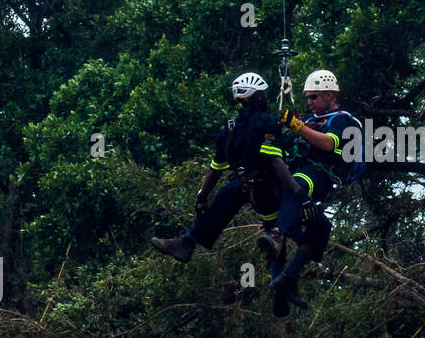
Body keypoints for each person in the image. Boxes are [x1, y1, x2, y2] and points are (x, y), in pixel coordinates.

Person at [151, 72, 307, 311]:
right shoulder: (267, 122)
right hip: (269, 189)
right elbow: (276, 161)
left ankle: (188, 242)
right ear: (258, 97)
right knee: (276, 235)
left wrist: (202, 197)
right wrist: (297, 193)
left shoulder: (230, 129)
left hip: (242, 186)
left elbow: (215, 170)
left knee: (226, 201)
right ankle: (280, 286)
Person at [258, 70, 362, 313]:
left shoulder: (341, 119)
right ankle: (284, 281)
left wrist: (297, 125)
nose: (310, 102)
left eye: (314, 97)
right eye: (307, 98)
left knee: (297, 188)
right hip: (291, 172)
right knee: (320, 228)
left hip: (318, 174)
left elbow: (328, 143)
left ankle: (277, 241)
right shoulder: (310, 121)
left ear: (329, 94)